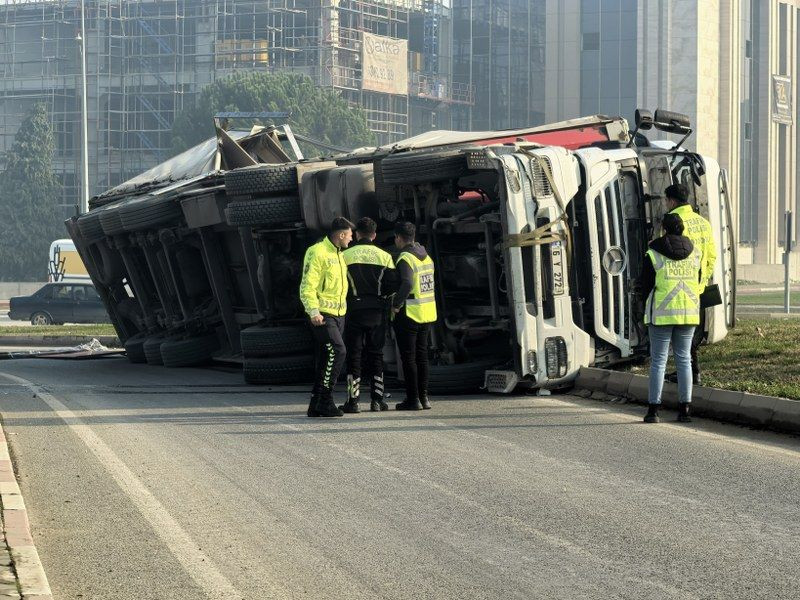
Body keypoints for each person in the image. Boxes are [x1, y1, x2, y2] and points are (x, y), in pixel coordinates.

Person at [639, 213, 701, 423]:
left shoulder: (653, 253)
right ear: (682, 229)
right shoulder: (695, 253)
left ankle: (653, 411)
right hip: (689, 313)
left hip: (662, 315)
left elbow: (645, 285)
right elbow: (698, 279)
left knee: (659, 362)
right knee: (684, 360)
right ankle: (685, 410)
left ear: (664, 229)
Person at [662, 183, 717, 386]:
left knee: (680, 336)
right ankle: (694, 373)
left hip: (679, 287)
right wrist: (702, 281)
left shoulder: (673, 221)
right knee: (692, 334)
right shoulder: (703, 222)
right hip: (698, 287)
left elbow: (667, 255)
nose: (666, 204)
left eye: (666, 200)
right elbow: (711, 256)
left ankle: (690, 375)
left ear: (672, 201)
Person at [339, 217, 395, 413]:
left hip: (353, 310)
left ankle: (352, 402)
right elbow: (392, 285)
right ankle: (377, 401)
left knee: (354, 355)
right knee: (376, 354)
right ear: (374, 234)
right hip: (377, 311)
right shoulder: (385, 256)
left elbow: (339, 283)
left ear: (358, 234)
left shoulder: (345, 255)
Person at [299, 217, 354, 418]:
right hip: (323, 315)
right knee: (338, 351)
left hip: (339, 314)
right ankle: (325, 400)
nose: (351, 239)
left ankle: (315, 404)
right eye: (349, 235)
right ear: (340, 235)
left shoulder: (340, 254)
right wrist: (313, 311)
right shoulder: (317, 252)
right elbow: (307, 285)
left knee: (326, 356)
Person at [391, 222, 437, 411]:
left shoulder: (405, 258)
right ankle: (424, 398)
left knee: (408, 358)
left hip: (409, 313)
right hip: (426, 312)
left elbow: (408, 283)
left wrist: (396, 304)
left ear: (399, 238)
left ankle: (412, 399)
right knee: (422, 357)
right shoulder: (426, 257)